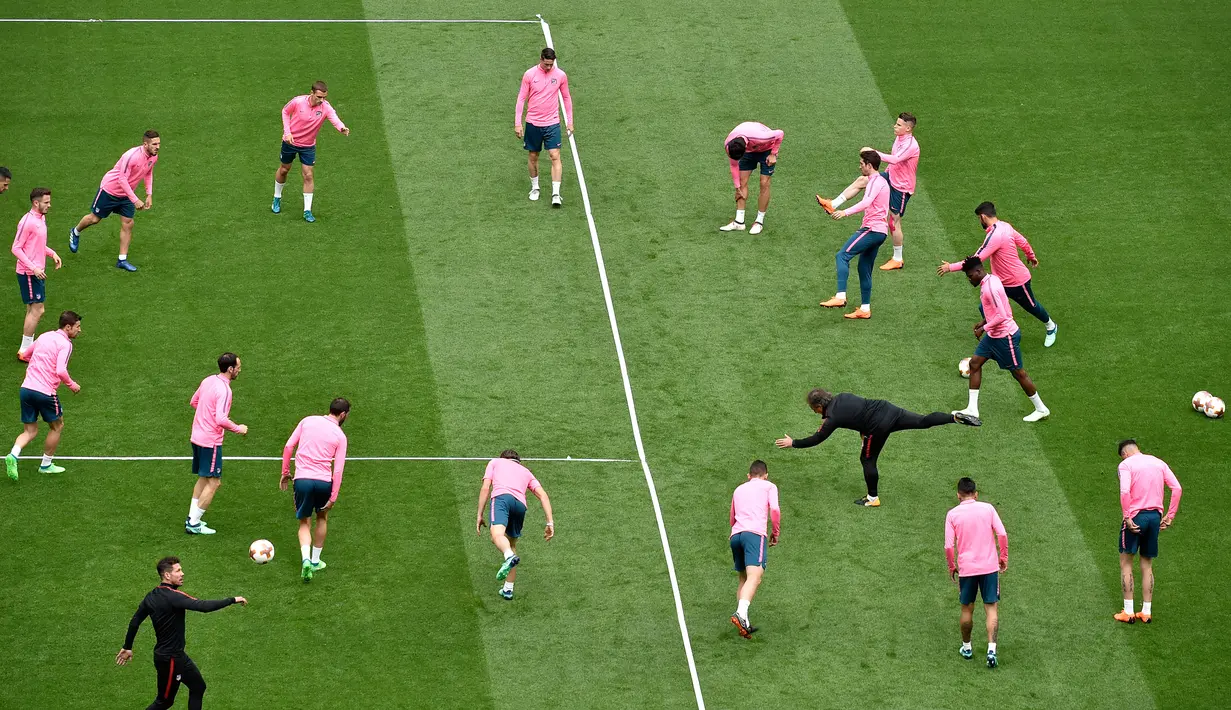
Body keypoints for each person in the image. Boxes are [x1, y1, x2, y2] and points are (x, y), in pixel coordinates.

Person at [775, 388, 980, 506]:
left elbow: (818, 438)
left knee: (867, 459)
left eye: (813, 409)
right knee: (923, 421)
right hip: (887, 409)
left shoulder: (832, 417)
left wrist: (794, 443)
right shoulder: (842, 396)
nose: (814, 412)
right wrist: (862, 433)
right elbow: (858, 413)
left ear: (819, 406)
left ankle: (872, 498)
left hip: (877, 426)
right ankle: (954, 417)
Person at [116, 556, 247, 710]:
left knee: (198, 687)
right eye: (178, 571)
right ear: (167, 575)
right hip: (170, 659)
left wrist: (128, 646)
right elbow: (202, 606)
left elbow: (135, 621)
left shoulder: (151, 597)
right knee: (164, 702)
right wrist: (232, 599)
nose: (182, 573)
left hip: (176, 656)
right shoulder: (174, 597)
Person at [939, 202, 1057, 346]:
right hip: (1000, 282)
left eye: (978, 218)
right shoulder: (1005, 226)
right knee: (984, 307)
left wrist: (950, 267)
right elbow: (1023, 241)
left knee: (1031, 306)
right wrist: (1031, 255)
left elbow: (976, 260)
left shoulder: (995, 235)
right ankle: (997, 334)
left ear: (983, 217)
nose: (979, 221)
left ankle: (1051, 326)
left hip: (1017, 281)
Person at [952, 256, 1050, 422]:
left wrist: (984, 328)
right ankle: (972, 409)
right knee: (975, 364)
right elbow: (999, 308)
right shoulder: (991, 281)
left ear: (978, 271)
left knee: (1018, 373)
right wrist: (984, 321)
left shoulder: (991, 288)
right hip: (993, 336)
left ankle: (1041, 409)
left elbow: (1003, 316)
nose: (969, 280)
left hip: (1006, 337)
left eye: (970, 276)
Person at [819, 113, 919, 271]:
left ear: (908, 128)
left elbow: (895, 159)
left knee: (894, 221)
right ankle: (833, 204)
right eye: (896, 123)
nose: (895, 126)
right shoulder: (900, 138)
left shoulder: (911, 145)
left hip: (901, 188)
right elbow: (895, 163)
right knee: (862, 180)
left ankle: (898, 259)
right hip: (891, 177)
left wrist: (873, 152)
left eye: (899, 125)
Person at [4, 310, 82, 481]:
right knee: (57, 425)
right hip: (45, 392)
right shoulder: (66, 344)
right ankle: (46, 465)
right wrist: (71, 384)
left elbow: (26, 354)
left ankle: (13, 455)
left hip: (26, 389)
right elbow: (60, 370)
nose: (79, 330)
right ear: (68, 327)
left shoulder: (45, 336)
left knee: (30, 430)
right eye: (77, 327)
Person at [280, 398, 350, 583]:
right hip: (323, 483)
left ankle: (305, 560)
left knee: (304, 522)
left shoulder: (307, 420)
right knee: (322, 518)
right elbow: (338, 469)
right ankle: (316, 560)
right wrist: (333, 496)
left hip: (302, 480)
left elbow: (288, 447)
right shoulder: (340, 436)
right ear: (343, 414)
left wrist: (285, 472)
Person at [69, 130, 160, 271]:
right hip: (110, 191)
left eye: (159, 143)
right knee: (94, 219)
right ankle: (75, 231)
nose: (158, 146)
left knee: (128, 223)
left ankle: (122, 260)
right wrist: (135, 199)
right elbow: (122, 180)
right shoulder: (131, 156)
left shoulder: (153, 156)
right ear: (145, 144)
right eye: (154, 144)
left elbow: (148, 172)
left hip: (127, 195)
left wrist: (149, 194)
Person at [1114, 439, 1182, 624]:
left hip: (1136, 516)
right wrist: (1170, 516)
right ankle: (1146, 612)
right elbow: (1177, 488)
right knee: (1147, 564)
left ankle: (1128, 612)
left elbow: (1125, 491)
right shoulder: (1158, 462)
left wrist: (1127, 517)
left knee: (1126, 562)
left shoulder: (1126, 465)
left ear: (1125, 454)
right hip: (1154, 518)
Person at [817, 150, 890, 319]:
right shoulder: (878, 181)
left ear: (869, 165)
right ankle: (865, 309)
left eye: (861, 164)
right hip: (880, 232)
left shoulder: (875, 182)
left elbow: (866, 202)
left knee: (842, 255)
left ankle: (840, 297)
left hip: (872, 229)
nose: (860, 166)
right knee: (864, 268)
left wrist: (845, 212)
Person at [944, 477, 1008, 669]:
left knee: (966, 609)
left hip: (967, 569)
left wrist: (951, 566)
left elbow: (949, 546)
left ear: (958, 495)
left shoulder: (952, 514)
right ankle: (991, 650)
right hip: (989, 567)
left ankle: (967, 647)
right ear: (976, 494)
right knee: (991, 608)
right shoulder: (988, 508)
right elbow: (1002, 534)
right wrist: (1003, 557)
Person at [475, 450, 555, 600]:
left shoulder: (495, 462)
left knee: (497, 534)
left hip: (502, 499)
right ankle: (508, 589)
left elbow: (486, 488)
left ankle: (509, 557)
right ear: (518, 461)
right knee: (511, 544)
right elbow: (543, 495)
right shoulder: (526, 472)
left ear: (503, 458)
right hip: (520, 506)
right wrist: (550, 522)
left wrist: (479, 514)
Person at [185, 353, 248, 535]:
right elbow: (220, 419)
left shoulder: (208, 380)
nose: (239, 370)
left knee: (203, 478)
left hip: (196, 436)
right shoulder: (225, 390)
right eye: (238, 367)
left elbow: (194, 402)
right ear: (230, 369)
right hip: (210, 441)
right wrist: (239, 428)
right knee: (214, 482)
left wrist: (206, 414)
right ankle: (194, 523)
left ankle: (192, 519)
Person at [273, 81, 349, 223]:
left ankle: (307, 211)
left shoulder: (325, 107)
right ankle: (276, 198)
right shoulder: (298, 102)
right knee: (284, 170)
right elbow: (285, 111)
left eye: (324, 97)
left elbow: (334, 118)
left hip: (308, 146)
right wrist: (287, 132)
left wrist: (342, 128)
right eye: (319, 97)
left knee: (308, 175)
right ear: (312, 93)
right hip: (290, 142)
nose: (322, 100)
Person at [515, 48, 574, 207]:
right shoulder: (530, 75)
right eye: (547, 64)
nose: (549, 68)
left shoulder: (560, 75)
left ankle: (556, 193)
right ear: (541, 59)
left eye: (551, 64)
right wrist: (518, 123)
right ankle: (535, 188)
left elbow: (567, 98)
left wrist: (570, 121)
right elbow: (521, 98)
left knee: (555, 155)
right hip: (533, 123)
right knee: (533, 156)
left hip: (552, 123)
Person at [729, 460, 780, 638]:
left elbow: (732, 517)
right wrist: (775, 532)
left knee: (743, 578)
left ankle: (744, 623)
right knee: (755, 577)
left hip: (736, 536)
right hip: (754, 535)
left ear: (748, 476)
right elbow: (774, 509)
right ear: (766, 475)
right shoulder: (769, 486)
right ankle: (741, 614)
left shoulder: (738, 489)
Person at [12, 188, 61, 361]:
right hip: (29, 273)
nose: (49, 205)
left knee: (32, 309)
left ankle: (27, 348)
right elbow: (16, 248)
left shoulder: (41, 218)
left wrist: (51, 253)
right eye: (46, 202)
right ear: (36, 203)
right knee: (38, 310)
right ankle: (25, 351)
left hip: (35, 271)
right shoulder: (28, 222)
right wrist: (33, 268)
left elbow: (37, 244)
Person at [719, 122, 784, 235]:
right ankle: (739, 222)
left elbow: (780, 133)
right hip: (749, 152)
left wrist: (773, 153)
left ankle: (759, 222)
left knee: (764, 183)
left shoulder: (761, 136)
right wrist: (737, 187)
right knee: (741, 182)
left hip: (767, 149)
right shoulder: (730, 145)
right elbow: (734, 165)